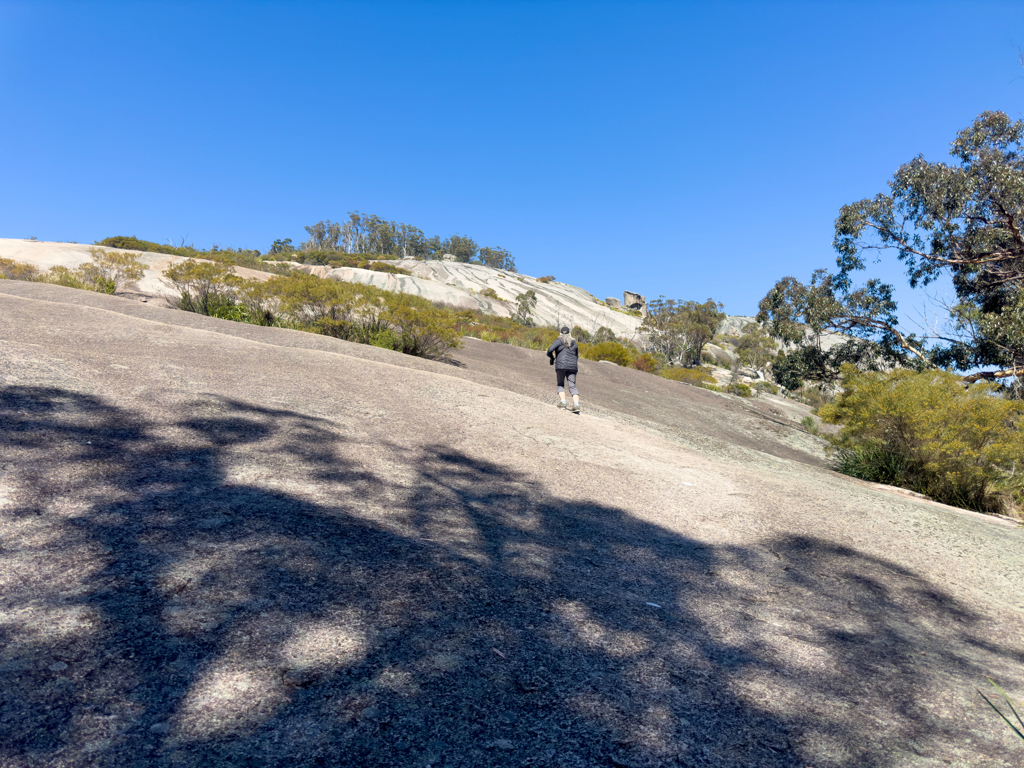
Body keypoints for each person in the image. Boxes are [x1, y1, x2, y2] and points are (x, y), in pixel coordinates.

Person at [547, 326, 581, 413]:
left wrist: (552, 358)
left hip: (561, 365)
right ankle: (576, 405)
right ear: (569, 333)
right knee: (572, 385)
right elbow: (576, 356)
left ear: (561, 333)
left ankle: (563, 403)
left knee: (560, 384)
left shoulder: (559, 340)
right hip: (573, 367)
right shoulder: (574, 342)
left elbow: (550, 350)